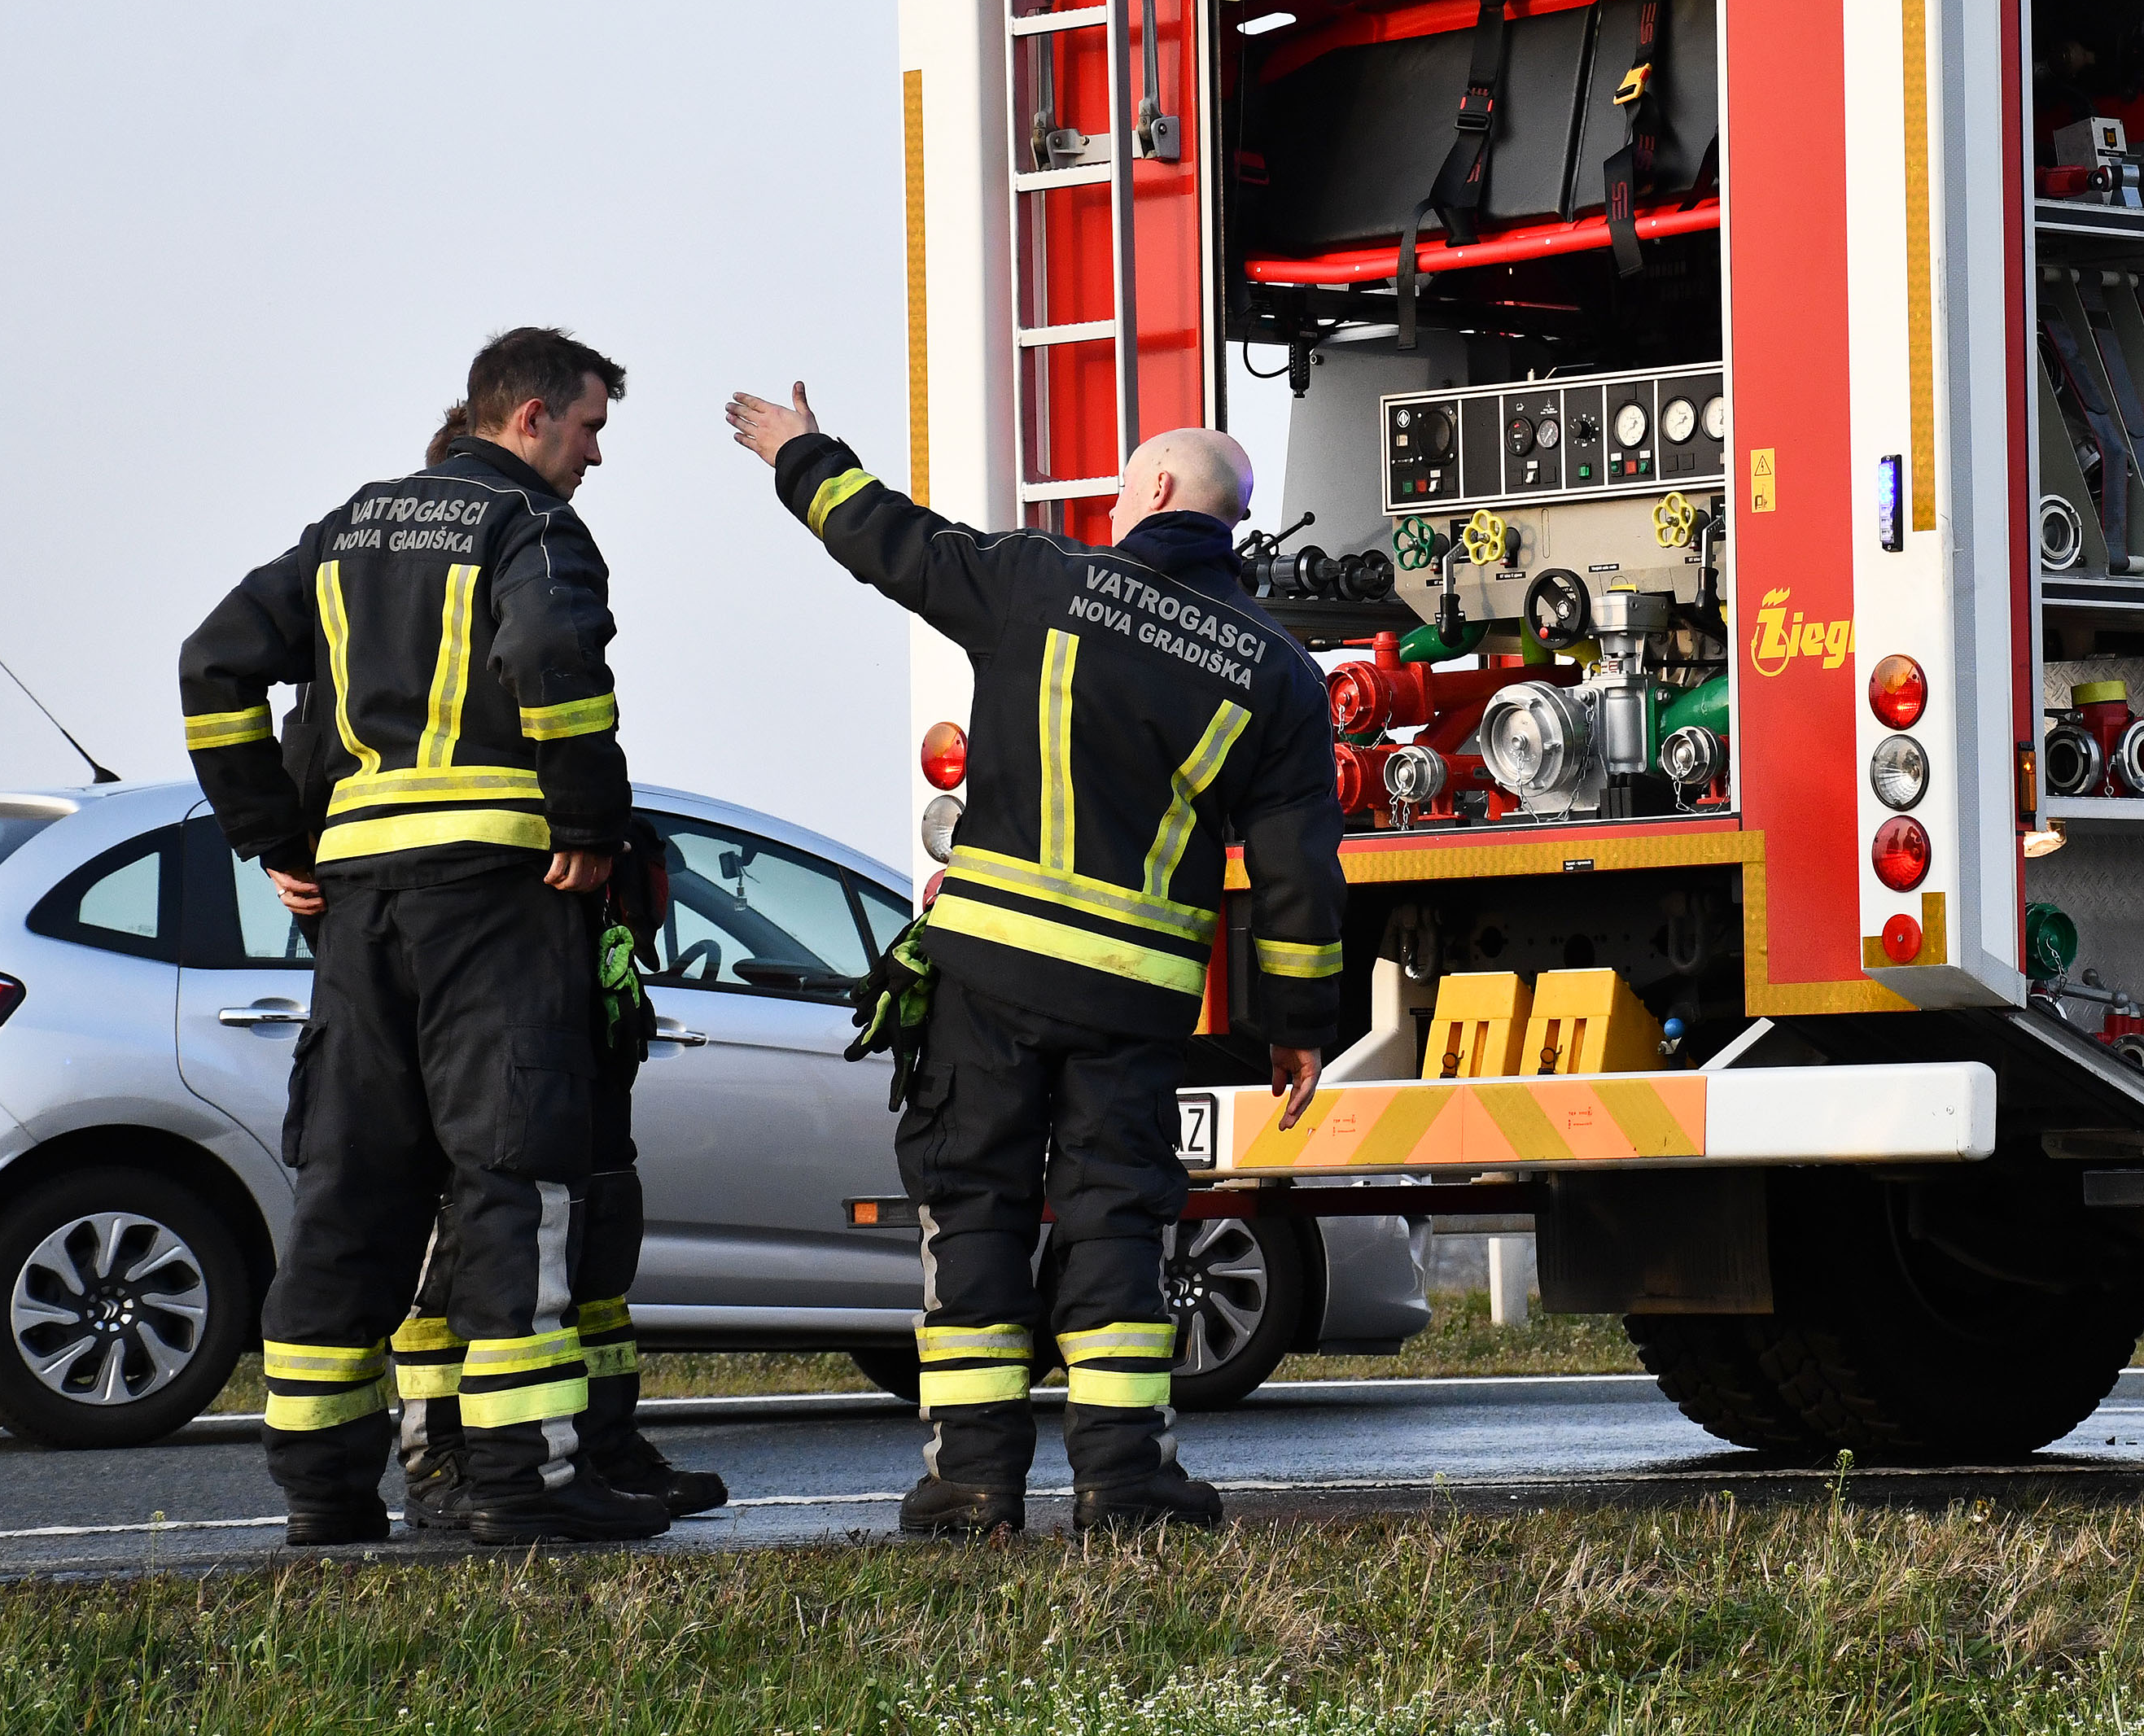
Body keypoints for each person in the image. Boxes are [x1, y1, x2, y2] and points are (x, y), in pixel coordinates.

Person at [725, 384, 1344, 1538]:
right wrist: (1294, 1021)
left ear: (1153, 492)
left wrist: (799, 449)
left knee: (975, 1217)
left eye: (1125, 482)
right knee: (1118, 1222)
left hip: (988, 982)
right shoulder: (1276, 672)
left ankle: (970, 1484)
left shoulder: (1041, 579)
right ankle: (1124, 1482)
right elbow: (1298, 865)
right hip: (1131, 1003)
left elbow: (890, 541)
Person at [180, 327, 669, 1548]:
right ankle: (519, 1478)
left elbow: (214, 663)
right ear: (528, 418)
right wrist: (589, 821)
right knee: (515, 1173)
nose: (594, 457)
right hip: (497, 902)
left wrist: (275, 838)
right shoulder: (531, 526)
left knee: (353, 1183)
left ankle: (324, 1485)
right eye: (590, 428)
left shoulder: (348, 526)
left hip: (361, 910)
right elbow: (554, 655)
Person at [389, 811, 730, 1531]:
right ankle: (441, 1459)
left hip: (570, 997)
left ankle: (595, 1445)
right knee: (469, 1246)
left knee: (595, 1240)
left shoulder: (586, 797)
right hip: (493, 995)